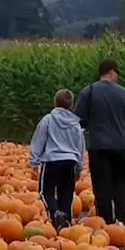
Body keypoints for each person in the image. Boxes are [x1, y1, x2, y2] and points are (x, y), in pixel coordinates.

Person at [73, 58, 125, 223]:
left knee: (102, 187)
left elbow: (78, 120)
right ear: (111, 72)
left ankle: (105, 223)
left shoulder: (89, 92)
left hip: (98, 147)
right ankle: (121, 220)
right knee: (121, 185)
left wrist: (89, 132)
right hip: (120, 147)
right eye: (117, 73)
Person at [29, 89, 85, 229]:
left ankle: (55, 213)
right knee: (66, 193)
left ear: (55, 103)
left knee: (45, 192)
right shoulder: (75, 124)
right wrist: (79, 167)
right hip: (70, 161)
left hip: (52, 161)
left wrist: (34, 162)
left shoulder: (48, 119)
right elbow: (80, 146)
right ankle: (65, 224)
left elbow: (39, 139)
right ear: (71, 105)